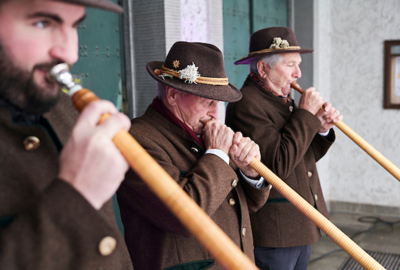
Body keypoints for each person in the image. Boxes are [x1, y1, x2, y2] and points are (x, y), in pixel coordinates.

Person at [0, 0, 134, 269]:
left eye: (74, 26)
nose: (70, 54)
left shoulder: (66, 110)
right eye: (42, 23)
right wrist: (76, 196)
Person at [117, 41, 271, 270]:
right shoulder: (135, 139)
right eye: (207, 101)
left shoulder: (201, 132)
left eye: (217, 103)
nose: (215, 113)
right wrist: (218, 154)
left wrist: (250, 172)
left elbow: (247, 205)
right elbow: (181, 216)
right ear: (172, 95)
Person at [225, 27, 343, 270]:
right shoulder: (247, 103)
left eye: (297, 65)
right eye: (290, 65)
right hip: (274, 232)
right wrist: (305, 116)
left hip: (300, 224)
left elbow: (301, 158)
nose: (298, 73)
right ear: (262, 68)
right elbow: (277, 166)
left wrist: (319, 128)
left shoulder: (281, 99)